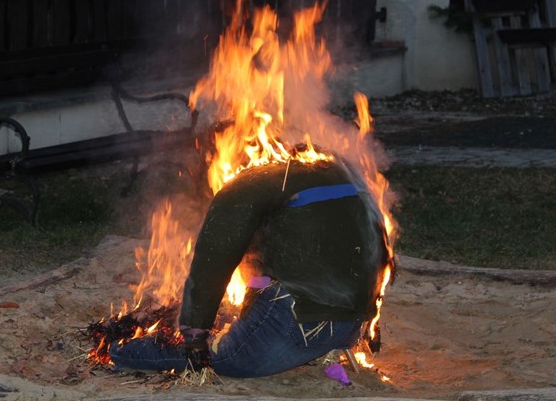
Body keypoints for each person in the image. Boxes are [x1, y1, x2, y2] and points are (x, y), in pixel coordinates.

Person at [109, 157, 389, 378]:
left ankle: (119, 351)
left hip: (293, 328)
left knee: (223, 356)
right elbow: (381, 254)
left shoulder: (246, 184)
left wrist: (195, 340)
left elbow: (211, 264)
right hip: (349, 329)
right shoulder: (344, 172)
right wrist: (370, 330)